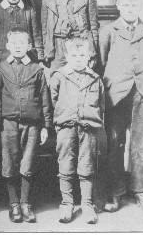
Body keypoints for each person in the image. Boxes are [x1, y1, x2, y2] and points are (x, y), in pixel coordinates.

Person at [100, 0, 143, 215]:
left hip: (142, 94)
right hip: (116, 95)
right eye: (126, 5)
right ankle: (115, 193)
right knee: (115, 144)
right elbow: (103, 61)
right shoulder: (108, 31)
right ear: (118, 6)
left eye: (134, 4)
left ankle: (142, 192)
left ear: (140, 6)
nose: (130, 9)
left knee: (141, 145)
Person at [0, 28, 52, 223]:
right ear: (8, 46)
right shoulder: (1, 68)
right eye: (14, 44)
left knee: (28, 162)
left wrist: (45, 126)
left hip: (32, 124)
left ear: (29, 46)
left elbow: (45, 99)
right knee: (9, 162)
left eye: (22, 43)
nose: (18, 47)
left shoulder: (37, 69)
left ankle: (26, 203)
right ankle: (14, 204)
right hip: (8, 123)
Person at [48, 36, 104, 224]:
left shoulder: (95, 79)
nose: (79, 58)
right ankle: (67, 204)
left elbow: (100, 106)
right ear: (67, 55)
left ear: (89, 56)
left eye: (82, 54)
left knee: (87, 166)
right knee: (65, 165)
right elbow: (53, 101)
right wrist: (65, 117)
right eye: (74, 54)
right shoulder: (59, 76)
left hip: (88, 130)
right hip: (66, 128)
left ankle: (87, 205)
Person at [42, 0, 99, 70]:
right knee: (56, 77)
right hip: (57, 46)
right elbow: (45, 29)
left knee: (80, 77)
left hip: (80, 44)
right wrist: (47, 51)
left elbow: (93, 27)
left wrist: (93, 52)